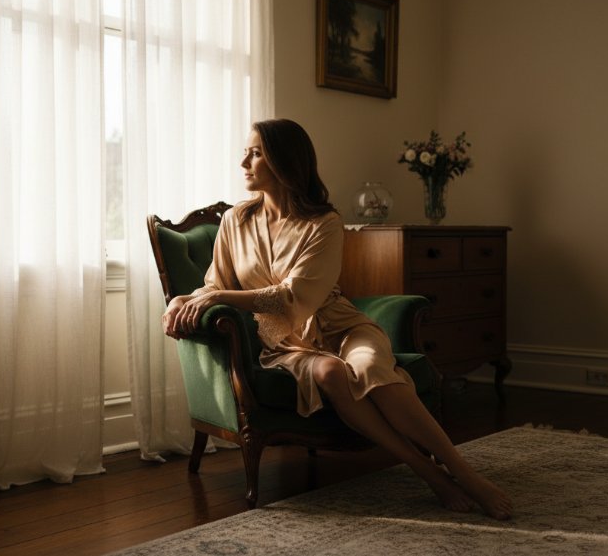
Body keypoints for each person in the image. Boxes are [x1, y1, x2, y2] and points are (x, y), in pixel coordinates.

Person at [162, 118, 513, 520]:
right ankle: (429, 473)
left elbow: (295, 296)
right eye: (246, 152)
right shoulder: (235, 221)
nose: (244, 162)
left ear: (284, 161)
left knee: (370, 368)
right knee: (331, 373)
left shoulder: (324, 222)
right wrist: (180, 300)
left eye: (255, 153)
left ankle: (464, 473)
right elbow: (215, 284)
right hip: (282, 341)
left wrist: (219, 296)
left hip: (341, 326)